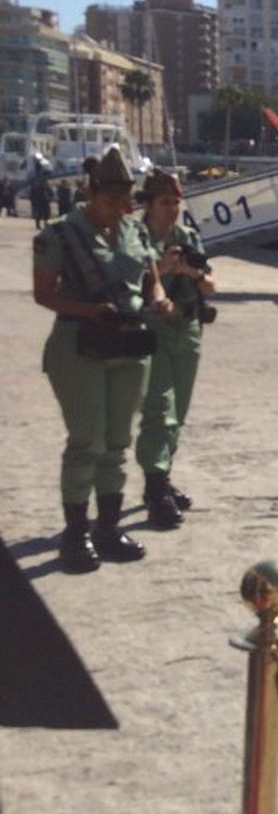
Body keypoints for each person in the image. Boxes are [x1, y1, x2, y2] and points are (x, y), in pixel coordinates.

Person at [31, 147, 175, 572]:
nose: (116, 210)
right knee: (86, 443)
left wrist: (162, 302)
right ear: (91, 193)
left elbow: (153, 283)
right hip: (80, 346)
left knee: (116, 443)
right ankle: (74, 538)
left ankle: (107, 529)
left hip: (129, 346)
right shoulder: (58, 235)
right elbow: (44, 294)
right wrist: (88, 310)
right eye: (109, 202)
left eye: (122, 203)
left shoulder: (134, 231)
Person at [134, 169, 215, 529]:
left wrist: (190, 272)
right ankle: (154, 490)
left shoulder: (188, 237)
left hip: (188, 329)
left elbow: (211, 286)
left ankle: (163, 477)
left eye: (176, 202)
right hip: (153, 331)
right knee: (159, 409)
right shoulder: (134, 238)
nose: (172, 209)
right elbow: (124, 285)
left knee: (178, 411)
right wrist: (160, 271)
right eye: (165, 202)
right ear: (148, 205)